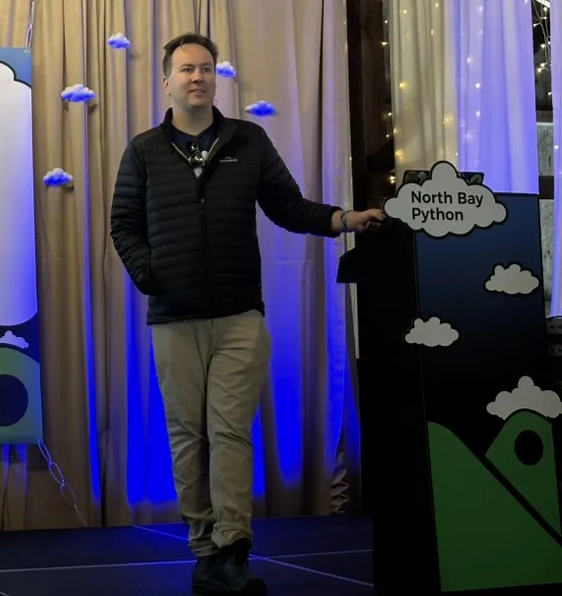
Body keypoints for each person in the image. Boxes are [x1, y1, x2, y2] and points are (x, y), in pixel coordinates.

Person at [109, 32, 383, 596]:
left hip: (239, 317)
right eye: (186, 70)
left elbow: (288, 207)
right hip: (174, 317)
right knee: (188, 435)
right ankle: (203, 548)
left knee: (230, 432)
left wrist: (342, 219)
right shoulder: (143, 150)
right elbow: (124, 226)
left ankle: (233, 548)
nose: (197, 77)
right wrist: (151, 275)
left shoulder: (248, 141)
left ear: (216, 79)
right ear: (167, 82)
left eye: (206, 69)